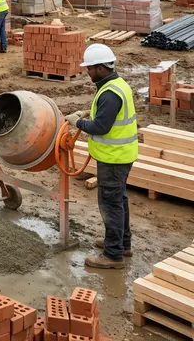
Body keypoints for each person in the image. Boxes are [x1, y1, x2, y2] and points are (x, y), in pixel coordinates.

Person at [66, 43, 138, 269]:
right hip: (119, 156)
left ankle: (113, 255)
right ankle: (122, 244)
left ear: (100, 68)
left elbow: (101, 127)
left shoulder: (109, 93)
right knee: (120, 201)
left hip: (113, 158)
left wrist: (76, 121)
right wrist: (89, 112)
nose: (87, 72)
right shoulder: (117, 84)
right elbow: (107, 115)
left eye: (89, 68)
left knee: (111, 204)